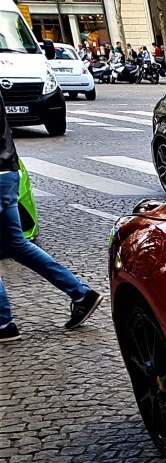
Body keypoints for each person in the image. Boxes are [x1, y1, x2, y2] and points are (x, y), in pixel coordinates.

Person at [0, 90, 101, 342]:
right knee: (16, 244)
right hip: (7, 170)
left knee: (16, 244)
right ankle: (81, 294)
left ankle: (3, 323)